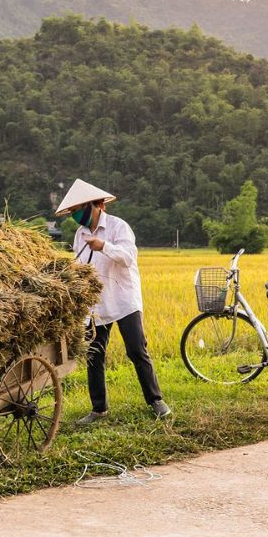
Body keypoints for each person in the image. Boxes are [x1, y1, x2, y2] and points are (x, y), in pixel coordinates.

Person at [55, 178, 171, 423]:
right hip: (95, 305)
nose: (75, 215)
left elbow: (128, 257)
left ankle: (156, 400)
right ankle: (99, 409)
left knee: (137, 350)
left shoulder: (119, 227)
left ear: (95, 205)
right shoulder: (80, 234)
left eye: (78, 210)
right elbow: (80, 266)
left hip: (123, 300)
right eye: (73, 212)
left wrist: (104, 246)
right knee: (94, 355)